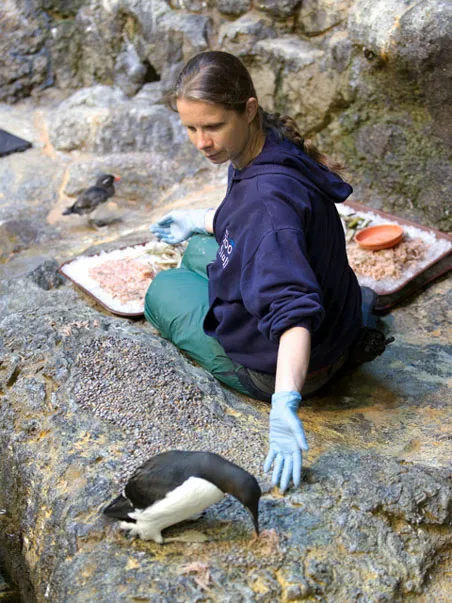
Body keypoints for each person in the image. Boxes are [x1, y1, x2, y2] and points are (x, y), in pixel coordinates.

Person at [146, 51, 393, 493]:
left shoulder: (265, 205)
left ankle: (290, 377)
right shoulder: (270, 142)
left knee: (166, 287)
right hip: (339, 323)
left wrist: (284, 404)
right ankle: (356, 323)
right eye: (191, 127)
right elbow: (254, 222)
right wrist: (201, 219)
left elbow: (292, 312)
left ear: (249, 109)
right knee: (200, 249)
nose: (202, 142)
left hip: (293, 363)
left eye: (213, 126)